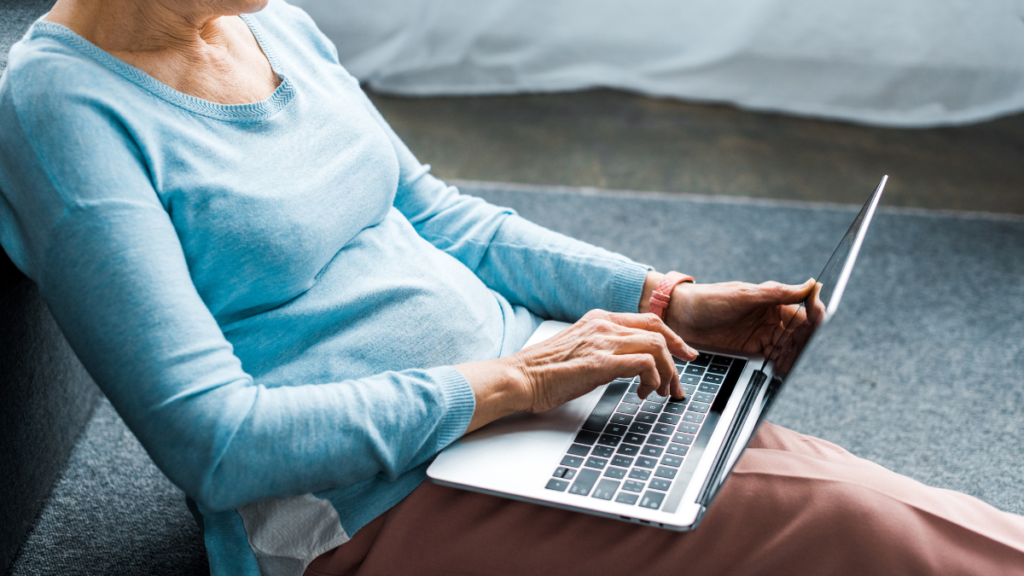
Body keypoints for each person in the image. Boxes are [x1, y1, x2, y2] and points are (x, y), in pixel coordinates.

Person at [0, 0, 1022, 574]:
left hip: (535, 409)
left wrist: (671, 302)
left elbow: (440, 216)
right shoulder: (61, 113)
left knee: (878, 515)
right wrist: (513, 383)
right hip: (372, 507)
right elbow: (218, 446)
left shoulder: (269, 26)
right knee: (862, 532)